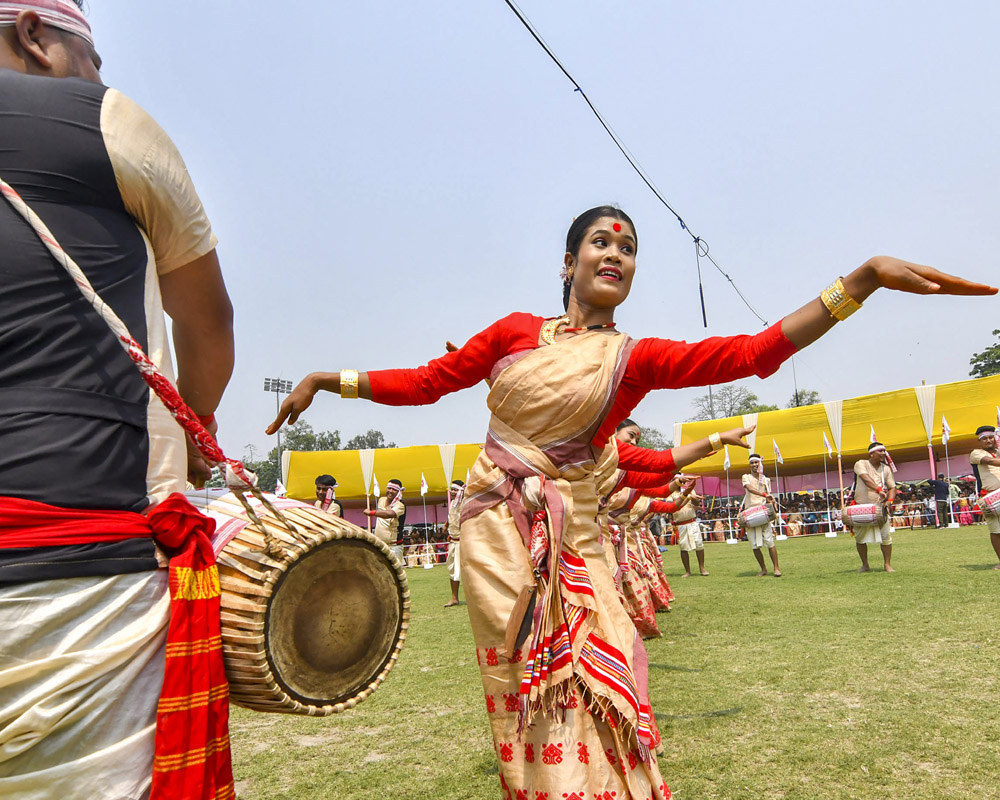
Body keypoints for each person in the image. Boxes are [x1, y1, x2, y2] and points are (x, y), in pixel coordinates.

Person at [267, 204, 992, 799]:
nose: (615, 254)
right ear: (568, 262)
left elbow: (751, 353)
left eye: (630, 248)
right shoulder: (513, 334)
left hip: (575, 535)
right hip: (496, 528)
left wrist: (857, 284)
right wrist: (331, 379)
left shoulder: (632, 359)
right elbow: (430, 381)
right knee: (532, 681)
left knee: (604, 665)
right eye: (599, 242)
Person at [0, 4, 236, 798]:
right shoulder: (100, 118)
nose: (103, 79)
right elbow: (207, 326)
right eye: (94, 60)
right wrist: (198, 435)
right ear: (37, 35)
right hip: (74, 584)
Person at [852, 442, 897, 572]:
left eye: (884, 451)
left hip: (879, 507)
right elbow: (865, 479)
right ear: (872, 453)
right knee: (860, 538)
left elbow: (892, 487)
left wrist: (890, 501)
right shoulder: (860, 464)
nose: (884, 453)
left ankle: (887, 564)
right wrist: (879, 490)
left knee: (886, 537)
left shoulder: (886, 469)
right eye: (880, 451)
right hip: (861, 507)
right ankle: (865, 565)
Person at [741, 455, 782, 577]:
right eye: (752, 463)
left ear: (760, 464)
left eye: (756, 462)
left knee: (770, 541)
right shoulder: (746, 477)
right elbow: (749, 488)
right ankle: (763, 569)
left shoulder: (765, 479)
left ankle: (776, 568)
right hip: (750, 512)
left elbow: (769, 495)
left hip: (763, 512)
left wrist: (772, 501)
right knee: (754, 545)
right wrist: (764, 494)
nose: (754, 465)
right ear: (750, 465)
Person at [969, 425, 1000, 569]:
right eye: (984, 438)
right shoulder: (976, 453)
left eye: (991, 437)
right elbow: (990, 461)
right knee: (995, 530)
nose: (988, 440)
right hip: (991, 497)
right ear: (979, 441)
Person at [365, 479, 406, 562]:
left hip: (393, 546)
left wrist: (372, 512)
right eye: (389, 488)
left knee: (394, 573)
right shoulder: (381, 500)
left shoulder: (400, 505)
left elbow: (389, 514)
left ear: (398, 491)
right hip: (379, 544)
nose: (390, 491)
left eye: (394, 489)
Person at [443, 479, 465, 606]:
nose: (452, 491)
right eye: (452, 489)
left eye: (455, 489)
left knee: (468, 571)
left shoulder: (466, 503)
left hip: (464, 542)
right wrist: (446, 526)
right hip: (453, 541)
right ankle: (454, 597)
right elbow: (451, 517)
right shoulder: (452, 503)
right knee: (452, 570)